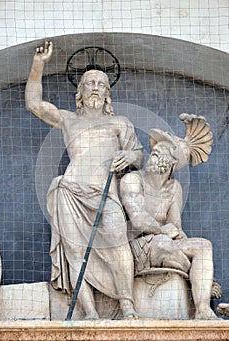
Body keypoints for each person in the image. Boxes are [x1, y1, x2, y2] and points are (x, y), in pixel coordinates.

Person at [25, 41, 144, 319]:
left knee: (118, 243)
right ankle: (89, 312)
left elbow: (138, 155)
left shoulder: (120, 123)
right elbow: (34, 104)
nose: (95, 88)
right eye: (89, 83)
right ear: (80, 91)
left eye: (101, 84)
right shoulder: (68, 120)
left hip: (106, 193)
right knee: (75, 250)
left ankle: (127, 304)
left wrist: (128, 156)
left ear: (107, 94)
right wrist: (38, 65)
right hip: (70, 191)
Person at [120, 114, 218, 319]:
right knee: (164, 242)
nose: (154, 150)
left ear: (172, 163)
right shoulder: (132, 179)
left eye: (162, 150)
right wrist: (162, 230)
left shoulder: (174, 188)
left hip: (164, 243)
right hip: (134, 247)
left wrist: (180, 237)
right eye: (155, 148)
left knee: (203, 246)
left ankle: (202, 310)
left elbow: (176, 226)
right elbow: (137, 218)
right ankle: (199, 279)